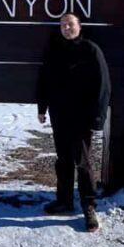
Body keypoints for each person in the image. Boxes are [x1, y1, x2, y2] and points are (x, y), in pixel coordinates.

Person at [37, 12, 111, 232]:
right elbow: (44, 80)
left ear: (79, 26)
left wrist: (98, 117)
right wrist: (42, 108)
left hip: (81, 116)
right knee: (63, 159)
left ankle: (89, 207)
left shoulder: (90, 50)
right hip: (59, 114)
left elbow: (103, 85)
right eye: (62, 25)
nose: (66, 28)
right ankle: (64, 201)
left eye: (70, 24)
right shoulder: (54, 50)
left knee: (83, 162)